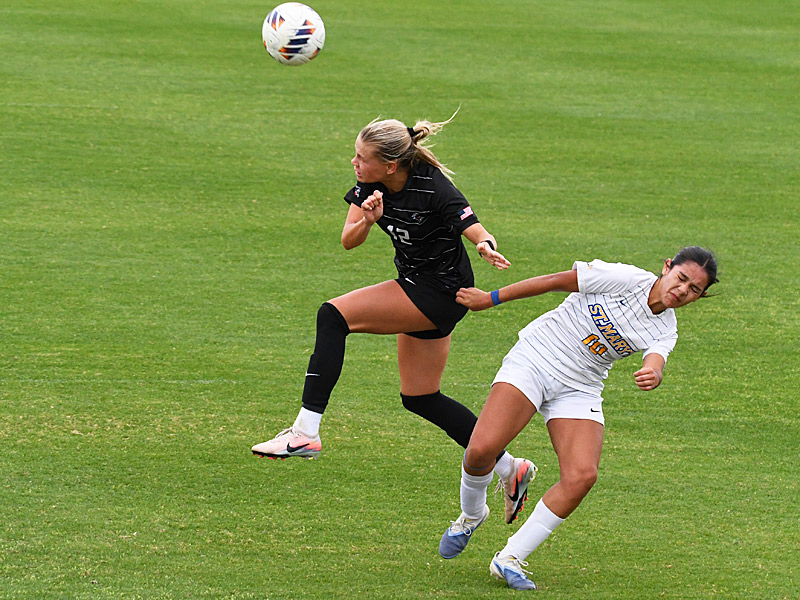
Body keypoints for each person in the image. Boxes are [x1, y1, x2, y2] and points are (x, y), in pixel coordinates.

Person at [251, 114, 535, 522]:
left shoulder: (433, 186)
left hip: (442, 292)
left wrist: (485, 246)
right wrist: (367, 220)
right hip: (418, 287)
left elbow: (470, 223)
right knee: (420, 397)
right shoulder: (369, 185)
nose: (354, 162)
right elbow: (348, 241)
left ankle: (305, 432)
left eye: (362, 157)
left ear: (390, 165)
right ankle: (510, 468)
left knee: (333, 316)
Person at [437, 247, 719, 590]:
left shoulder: (666, 329)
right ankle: (472, 515)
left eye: (694, 289)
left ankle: (509, 557)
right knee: (482, 450)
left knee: (582, 476)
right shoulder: (625, 279)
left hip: (580, 386)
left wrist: (653, 373)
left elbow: (656, 359)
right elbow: (554, 281)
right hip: (537, 357)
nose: (682, 290)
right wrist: (489, 298)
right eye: (681, 278)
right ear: (667, 268)